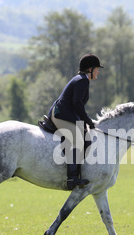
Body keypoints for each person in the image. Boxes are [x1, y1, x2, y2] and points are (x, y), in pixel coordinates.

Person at [48, 54, 104, 190]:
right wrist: (88, 121)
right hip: (61, 115)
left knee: (85, 135)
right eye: (97, 68)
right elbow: (77, 104)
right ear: (90, 69)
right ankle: (72, 178)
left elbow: (77, 106)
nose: (98, 71)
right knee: (78, 139)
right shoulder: (82, 81)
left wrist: (85, 122)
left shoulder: (82, 79)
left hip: (68, 114)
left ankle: (76, 172)